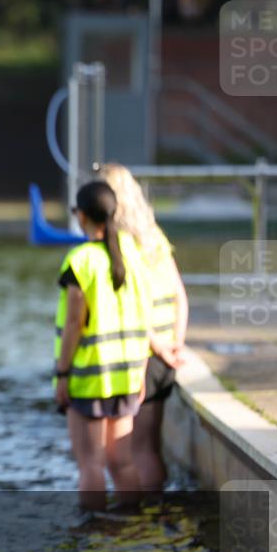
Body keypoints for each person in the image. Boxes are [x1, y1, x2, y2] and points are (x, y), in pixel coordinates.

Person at [53, 180, 174, 512]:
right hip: (126, 375)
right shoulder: (132, 255)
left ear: (81, 216)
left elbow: (75, 323)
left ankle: (92, 532)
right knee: (122, 461)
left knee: (90, 463)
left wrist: (62, 374)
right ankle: (129, 526)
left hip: (89, 377)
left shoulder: (80, 261)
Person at [99, 163, 187, 493]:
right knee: (151, 445)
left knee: (136, 450)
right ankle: (158, 514)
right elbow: (180, 292)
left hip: (144, 355)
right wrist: (175, 342)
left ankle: (141, 523)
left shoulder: (119, 244)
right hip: (167, 353)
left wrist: (156, 346)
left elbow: (131, 307)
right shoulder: (154, 237)